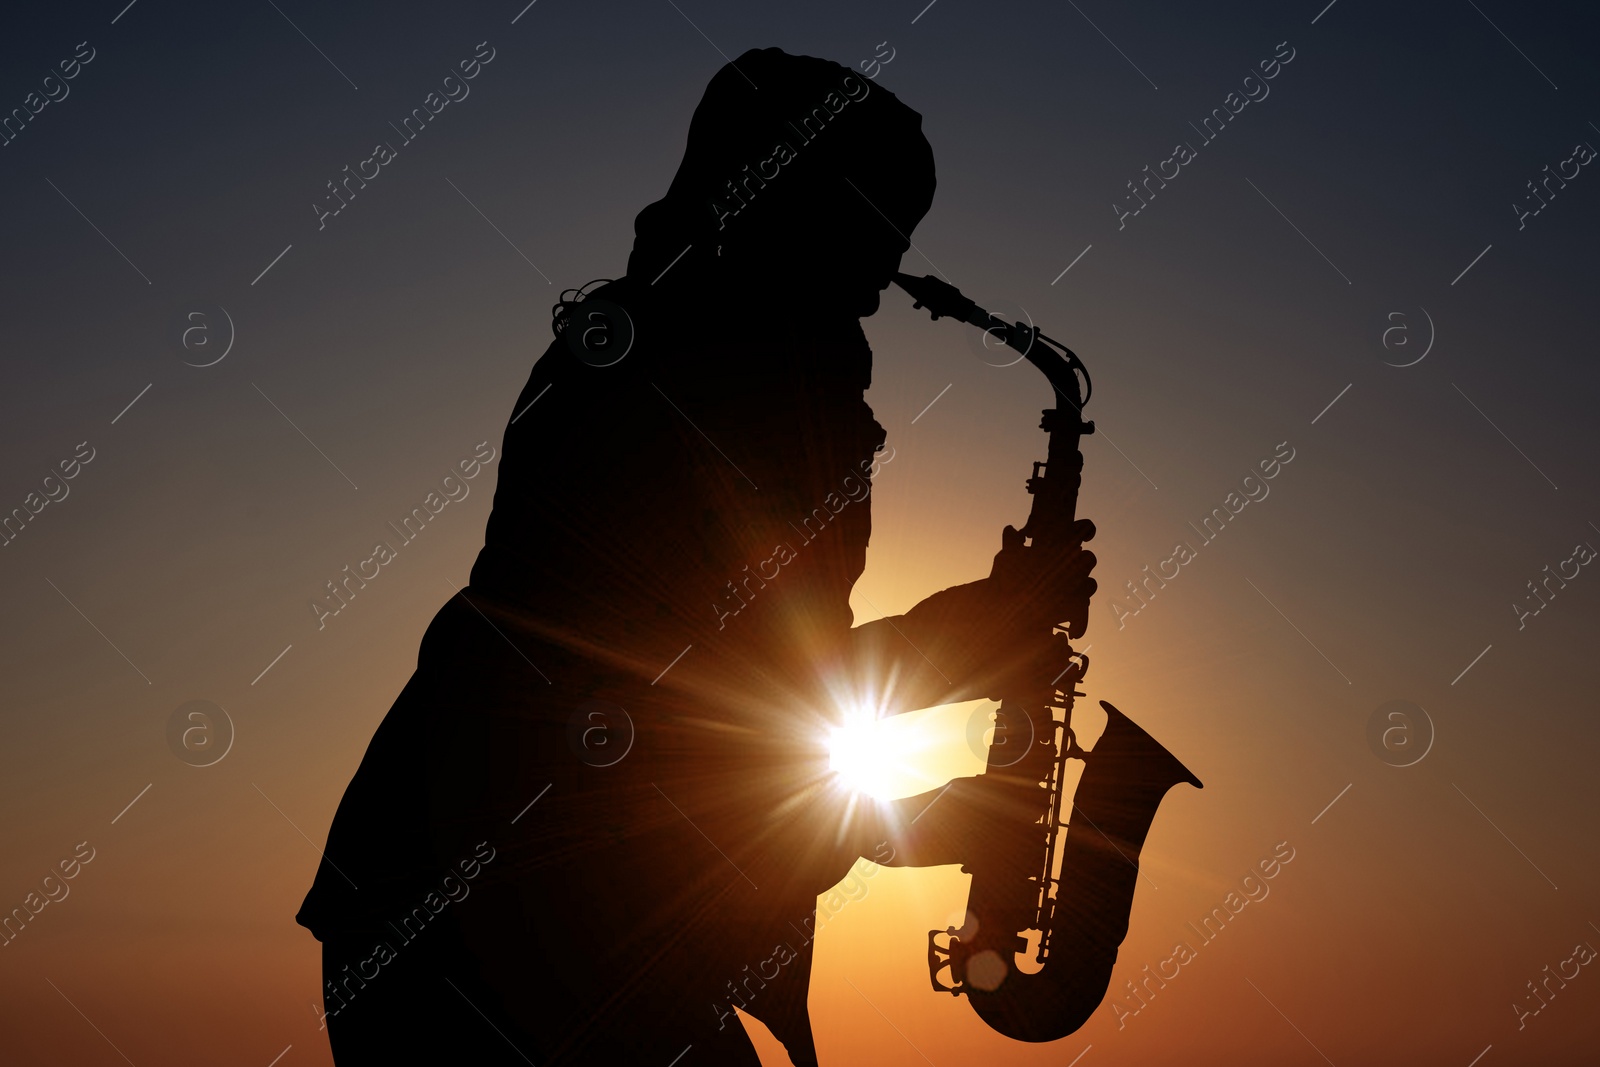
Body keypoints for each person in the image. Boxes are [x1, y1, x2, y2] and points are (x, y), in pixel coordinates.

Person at [297, 47, 1096, 1066]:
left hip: (517, 913)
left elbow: (730, 729)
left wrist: (928, 785)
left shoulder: (723, 362)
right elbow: (700, 699)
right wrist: (976, 635)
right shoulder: (681, 381)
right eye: (875, 227)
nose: (888, 279)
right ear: (790, 202)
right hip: (496, 922)